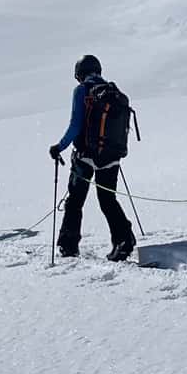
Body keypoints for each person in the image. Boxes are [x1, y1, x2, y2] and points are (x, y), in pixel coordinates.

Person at [49, 54, 136, 262]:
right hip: (111, 156)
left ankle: (68, 245)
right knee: (107, 199)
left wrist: (59, 147)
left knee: (75, 201)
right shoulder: (114, 92)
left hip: (85, 156)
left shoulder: (82, 91)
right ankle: (124, 240)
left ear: (79, 73)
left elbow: (75, 124)